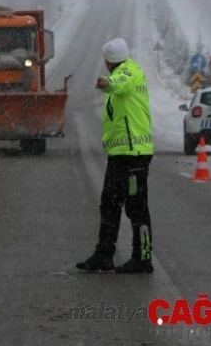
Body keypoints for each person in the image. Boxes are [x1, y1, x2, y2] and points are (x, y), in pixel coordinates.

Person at [76, 38, 155, 274]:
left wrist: (105, 82)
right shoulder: (126, 70)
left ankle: (143, 258)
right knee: (109, 205)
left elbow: (121, 84)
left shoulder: (129, 71)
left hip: (134, 155)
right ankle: (104, 254)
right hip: (121, 155)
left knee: (136, 207)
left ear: (108, 61)